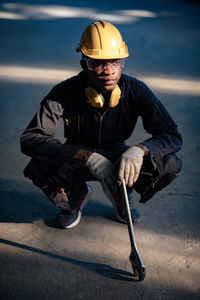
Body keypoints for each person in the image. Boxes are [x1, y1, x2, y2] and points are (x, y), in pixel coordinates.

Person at [20, 21, 182, 229]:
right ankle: (74, 195)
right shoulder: (64, 92)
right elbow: (30, 139)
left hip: (118, 155)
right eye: (98, 63)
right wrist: (84, 156)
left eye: (115, 61)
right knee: (38, 166)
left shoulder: (137, 91)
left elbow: (171, 135)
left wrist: (140, 150)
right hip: (77, 155)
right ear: (84, 64)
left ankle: (121, 188)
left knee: (170, 163)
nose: (108, 71)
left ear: (123, 62)